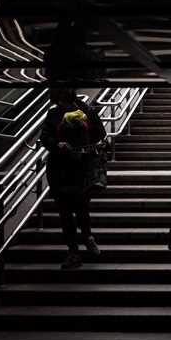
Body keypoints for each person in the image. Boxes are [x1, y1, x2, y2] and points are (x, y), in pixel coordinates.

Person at [40, 87, 108, 270]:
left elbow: (102, 135)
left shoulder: (88, 112)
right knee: (65, 212)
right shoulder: (53, 114)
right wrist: (57, 143)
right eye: (59, 101)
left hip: (82, 169)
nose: (62, 104)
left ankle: (88, 237)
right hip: (59, 170)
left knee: (81, 206)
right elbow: (44, 137)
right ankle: (73, 252)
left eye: (65, 100)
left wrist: (102, 144)